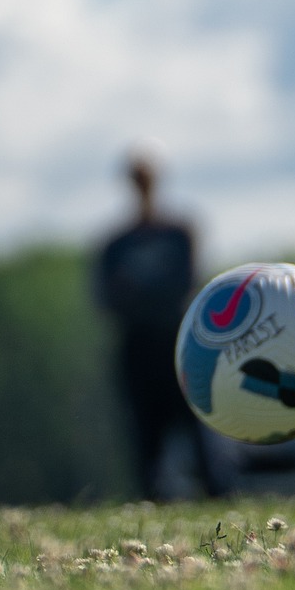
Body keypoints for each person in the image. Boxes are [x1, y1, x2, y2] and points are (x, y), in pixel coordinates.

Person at [93, 149, 232, 499]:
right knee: (145, 434)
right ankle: (153, 500)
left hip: (179, 343)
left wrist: (139, 291)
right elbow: (106, 298)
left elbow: (187, 282)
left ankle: (218, 497)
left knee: (200, 429)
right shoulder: (114, 242)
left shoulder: (179, 232)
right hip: (138, 345)